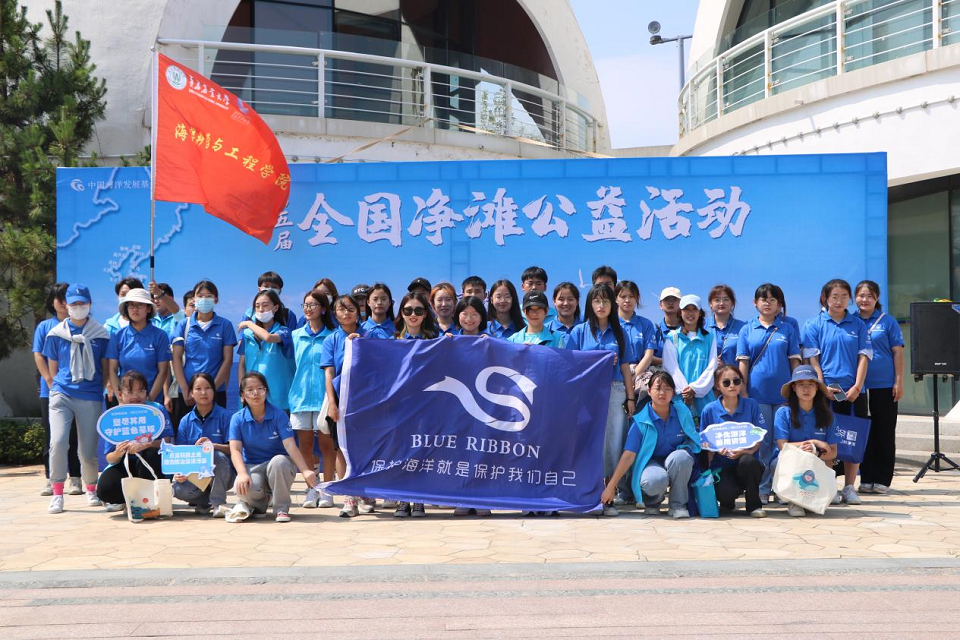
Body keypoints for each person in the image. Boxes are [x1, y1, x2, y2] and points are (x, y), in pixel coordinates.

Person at [565, 283, 636, 516]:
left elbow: (625, 367)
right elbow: (571, 364)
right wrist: (596, 359)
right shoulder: (579, 332)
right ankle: (587, 493)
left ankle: (609, 495)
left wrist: (630, 397)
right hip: (587, 393)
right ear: (590, 304)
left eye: (605, 301)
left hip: (615, 390)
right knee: (588, 441)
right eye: (597, 301)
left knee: (613, 443)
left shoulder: (620, 332)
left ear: (612, 305)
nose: (601, 305)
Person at [803, 278, 872, 505]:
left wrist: (857, 386)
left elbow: (864, 357)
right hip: (825, 391)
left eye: (844, 297)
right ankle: (829, 485)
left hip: (854, 392)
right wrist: (822, 386)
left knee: (853, 437)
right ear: (825, 298)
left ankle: (850, 487)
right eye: (835, 296)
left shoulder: (858, 324)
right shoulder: (814, 324)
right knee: (827, 439)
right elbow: (813, 359)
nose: (839, 301)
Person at [43, 284, 110, 514]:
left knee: (87, 451)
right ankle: (57, 493)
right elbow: (53, 366)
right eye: (74, 303)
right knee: (58, 442)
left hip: (90, 395)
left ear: (89, 304)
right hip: (62, 393)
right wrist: (57, 388)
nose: (78, 307)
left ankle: (91, 488)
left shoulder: (101, 334)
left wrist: (97, 390)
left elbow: (105, 368)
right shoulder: (56, 334)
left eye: (82, 303)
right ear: (66, 305)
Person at [601, 371, 700, 519]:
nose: (662, 393)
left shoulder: (682, 412)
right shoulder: (640, 420)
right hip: (650, 464)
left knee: (682, 457)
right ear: (649, 391)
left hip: (675, 460)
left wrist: (685, 449)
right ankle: (652, 503)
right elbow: (628, 456)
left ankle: (678, 505)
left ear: (673, 392)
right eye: (658, 388)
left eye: (667, 389)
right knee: (654, 480)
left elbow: (693, 440)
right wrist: (610, 487)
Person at [736, 283, 802, 504]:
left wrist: (796, 391)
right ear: (755, 303)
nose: (767, 303)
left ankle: (782, 488)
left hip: (784, 396)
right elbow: (743, 363)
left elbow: (795, 362)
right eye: (763, 299)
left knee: (783, 442)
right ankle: (763, 488)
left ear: (779, 305)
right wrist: (743, 392)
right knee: (763, 442)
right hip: (757, 395)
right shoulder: (747, 329)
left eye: (772, 300)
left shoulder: (787, 329)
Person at [227, 372, 318, 523]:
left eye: (260, 388)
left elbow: (290, 445)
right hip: (253, 466)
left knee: (279, 461)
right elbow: (235, 449)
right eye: (250, 390)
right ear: (242, 396)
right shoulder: (237, 419)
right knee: (241, 488)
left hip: (279, 466)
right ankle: (260, 504)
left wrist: (305, 470)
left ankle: (281, 508)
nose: (256, 393)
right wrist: (242, 473)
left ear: (266, 391)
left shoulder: (279, 415)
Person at [95, 371, 174, 516]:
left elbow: (167, 442)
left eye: (140, 391)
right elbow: (109, 458)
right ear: (120, 394)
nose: (136, 396)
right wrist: (118, 453)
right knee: (105, 489)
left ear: (146, 392)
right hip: (125, 463)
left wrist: (146, 444)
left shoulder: (157, 410)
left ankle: (145, 503)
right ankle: (126, 500)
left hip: (150, 462)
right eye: (130, 392)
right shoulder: (115, 416)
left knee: (151, 455)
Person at [854, 280, 904, 495]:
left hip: (884, 385)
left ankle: (883, 479)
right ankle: (866, 478)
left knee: (884, 431)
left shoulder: (887, 321)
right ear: (855, 298)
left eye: (870, 296)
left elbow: (898, 352)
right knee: (864, 432)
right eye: (861, 295)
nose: (865, 300)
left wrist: (898, 381)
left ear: (877, 298)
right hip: (858, 386)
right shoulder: (851, 320)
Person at [320, 295, 368, 517]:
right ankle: (349, 496)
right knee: (341, 448)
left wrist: (361, 345)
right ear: (334, 313)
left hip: (366, 399)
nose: (346, 313)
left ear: (358, 311)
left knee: (364, 447)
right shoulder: (331, 340)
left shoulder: (369, 334)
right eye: (341, 309)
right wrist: (332, 402)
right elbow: (329, 373)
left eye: (350, 308)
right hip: (341, 398)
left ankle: (364, 492)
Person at [33, 283, 81, 497]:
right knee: (52, 437)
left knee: (75, 437)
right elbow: (38, 355)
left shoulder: (81, 325)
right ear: (52, 302)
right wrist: (49, 380)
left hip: (78, 390)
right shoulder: (45, 326)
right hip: (51, 391)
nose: (63, 303)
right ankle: (50, 479)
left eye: (66, 298)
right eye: (58, 298)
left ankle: (76, 478)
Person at [773, 365, 841, 517]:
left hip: (817, 462)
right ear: (793, 388)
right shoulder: (783, 413)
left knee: (825, 463)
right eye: (801, 385)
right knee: (779, 463)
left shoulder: (828, 415)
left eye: (810, 384)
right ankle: (793, 500)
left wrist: (816, 453)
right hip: (789, 461)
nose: (806, 389)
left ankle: (818, 496)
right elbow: (782, 446)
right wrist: (814, 442)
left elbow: (833, 452)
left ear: (817, 387)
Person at [393, 292, 438, 518]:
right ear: (401, 313)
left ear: (425, 314)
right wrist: (355, 342)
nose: (413, 315)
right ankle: (402, 499)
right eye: (408, 310)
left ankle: (419, 499)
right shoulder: (392, 341)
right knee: (401, 452)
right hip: (400, 406)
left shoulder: (435, 340)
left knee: (421, 451)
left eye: (418, 310)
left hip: (426, 405)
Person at [290, 290, 337, 509]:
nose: (308, 309)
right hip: (300, 397)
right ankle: (312, 488)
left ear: (324, 309)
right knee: (305, 446)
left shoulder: (332, 336)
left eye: (313, 305)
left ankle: (327, 490)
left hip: (324, 398)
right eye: (305, 305)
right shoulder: (295, 335)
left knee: (327, 446)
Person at [699, 365, 766, 517]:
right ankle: (727, 502)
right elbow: (704, 441)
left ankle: (754, 506)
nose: (732, 386)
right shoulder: (709, 410)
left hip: (746, 462)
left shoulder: (751, 405)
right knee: (725, 493)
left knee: (748, 461)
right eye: (726, 382)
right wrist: (715, 449)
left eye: (736, 381)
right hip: (722, 465)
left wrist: (747, 451)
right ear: (717, 385)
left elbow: (759, 433)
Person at [173, 373, 236, 517]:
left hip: (224, 474)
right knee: (178, 490)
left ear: (214, 391)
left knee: (217, 455)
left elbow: (234, 449)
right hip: (196, 475)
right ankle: (206, 501)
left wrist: (212, 446)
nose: (203, 392)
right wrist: (180, 473)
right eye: (198, 389)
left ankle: (218, 503)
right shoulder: (185, 421)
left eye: (208, 388)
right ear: (191, 393)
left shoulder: (226, 417)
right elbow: (181, 454)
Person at [170, 280, 238, 414]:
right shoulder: (184, 325)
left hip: (217, 391)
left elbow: (228, 360)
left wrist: (212, 389)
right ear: (194, 299)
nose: (204, 299)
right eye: (200, 296)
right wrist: (185, 389)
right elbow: (176, 358)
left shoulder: (225, 325)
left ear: (216, 299)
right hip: (188, 393)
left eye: (208, 296)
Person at [106, 288, 171, 404]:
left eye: (140, 305)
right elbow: (112, 370)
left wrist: (148, 400)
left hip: (152, 401)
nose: (135, 309)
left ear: (148, 308)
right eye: (131, 305)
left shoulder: (160, 336)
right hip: (125, 402)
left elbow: (163, 372)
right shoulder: (117, 336)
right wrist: (121, 399)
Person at [237, 289, 294, 411]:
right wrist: (242, 390)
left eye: (265, 305)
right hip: (252, 399)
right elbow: (241, 365)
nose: (261, 309)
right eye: (257, 306)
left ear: (276, 307)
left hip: (279, 401)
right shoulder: (247, 335)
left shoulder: (284, 332)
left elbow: (268, 337)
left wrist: (249, 323)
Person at [662, 294, 717, 417]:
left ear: (700, 313)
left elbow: (712, 367)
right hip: (679, 399)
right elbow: (671, 368)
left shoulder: (710, 337)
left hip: (705, 399)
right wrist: (686, 392)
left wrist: (695, 389)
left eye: (694, 309)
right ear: (680, 312)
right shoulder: (672, 337)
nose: (690, 313)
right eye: (686, 309)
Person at [615, 281, 656, 382]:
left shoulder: (646, 324)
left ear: (637, 298)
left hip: (640, 375)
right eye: (623, 296)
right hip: (615, 376)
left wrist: (633, 377)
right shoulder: (610, 324)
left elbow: (648, 355)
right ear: (615, 299)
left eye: (631, 296)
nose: (627, 300)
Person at [708, 284, 746, 366]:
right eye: (717, 300)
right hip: (706, 374)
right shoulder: (702, 326)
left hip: (734, 373)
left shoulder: (743, 328)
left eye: (726, 299)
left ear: (732, 303)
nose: (721, 303)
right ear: (711, 304)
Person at [652, 287, 682, 364]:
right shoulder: (654, 329)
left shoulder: (688, 328)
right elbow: (648, 356)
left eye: (674, 299)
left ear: (681, 303)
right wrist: (669, 362)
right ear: (660, 305)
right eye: (666, 299)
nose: (670, 302)